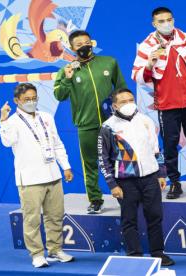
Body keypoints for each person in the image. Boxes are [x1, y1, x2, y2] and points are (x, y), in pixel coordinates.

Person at [132, 7, 186, 199]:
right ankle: (174, 183)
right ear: (154, 24)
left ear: (174, 19)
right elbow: (138, 75)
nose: (166, 23)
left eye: (169, 19)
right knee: (170, 145)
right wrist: (150, 64)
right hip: (167, 104)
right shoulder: (147, 46)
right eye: (161, 21)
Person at [0, 83, 74, 268]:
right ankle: (37, 254)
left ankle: (55, 250)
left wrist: (65, 166)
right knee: (32, 219)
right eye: (27, 99)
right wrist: (3, 120)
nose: (31, 102)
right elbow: (7, 142)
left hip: (53, 175)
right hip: (30, 179)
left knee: (55, 216)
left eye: (34, 98)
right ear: (17, 101)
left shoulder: (47, 117)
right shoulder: (12, 122)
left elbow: (57, 143)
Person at [97, 88, 175, 266]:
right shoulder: (108, 127)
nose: (128, 104)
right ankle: (134, 256)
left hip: (150, 178)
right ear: (115, 105)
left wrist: (161, 173)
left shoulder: (146, 121)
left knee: (155, 216)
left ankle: (158, 253)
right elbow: (103, 159)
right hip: (125, 182)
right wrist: (112, 185)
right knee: (129, 219)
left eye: (131, 100)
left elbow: (156, 149)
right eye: (123, 102)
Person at [54, 30, 127, 214]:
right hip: (86, 124)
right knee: (90, 164)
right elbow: (59, 95)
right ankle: (95, 199)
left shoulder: (109, 62)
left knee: (119, 160)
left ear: (92, 43)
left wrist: (124, 116)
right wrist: (68, 79)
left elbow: (122, 90)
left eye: (87, 42)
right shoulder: (67, 70)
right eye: (79, 45)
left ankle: (124, 195)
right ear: (71, 48)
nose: (84, 46)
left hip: (113, 123)